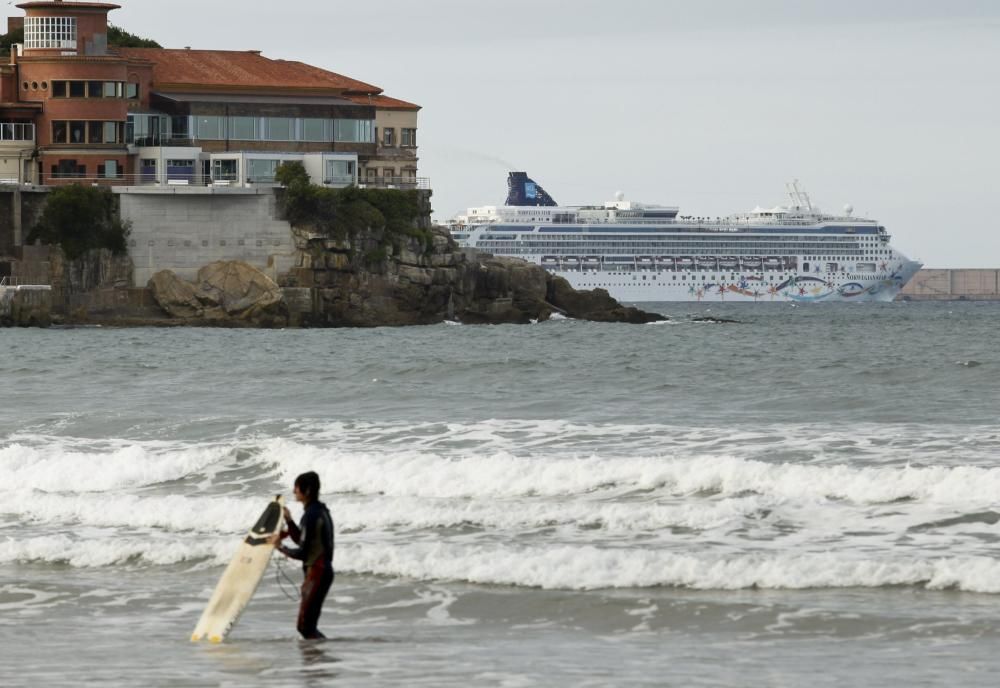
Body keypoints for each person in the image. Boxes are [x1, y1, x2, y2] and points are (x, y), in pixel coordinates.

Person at [269, 471, 335, 639]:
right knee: (307, 626)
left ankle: (320, 656)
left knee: (305, 626)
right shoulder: (320, 511)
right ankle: (316, 657)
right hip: (320, 571)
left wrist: (280, 547)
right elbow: (304, 542)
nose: (294, 492)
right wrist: (290, 521)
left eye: (296, 488)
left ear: (306, 491)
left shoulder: (311, 516)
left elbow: (304, 552)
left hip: (317, 573)